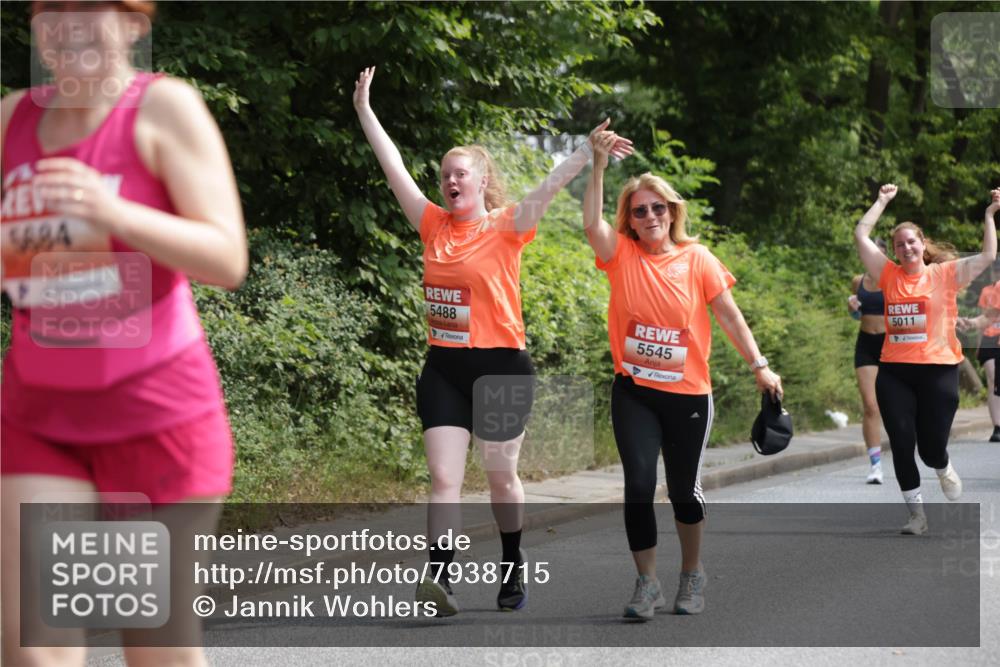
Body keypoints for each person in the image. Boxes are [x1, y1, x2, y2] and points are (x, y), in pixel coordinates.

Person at [1, 1, 246, 664]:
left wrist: (114, 211)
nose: (67, 22)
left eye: (89, 7)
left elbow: (227, 257)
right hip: (39, 413)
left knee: (155, 647)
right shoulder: (10, 119)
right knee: (31, 646)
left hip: (158, 419)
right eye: (51, 8)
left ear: (135, 23)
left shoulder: (165, 108)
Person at [353, 66, 631, 615]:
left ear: (481, 182)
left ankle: (511, 562)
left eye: (460, 175)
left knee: (501, 476)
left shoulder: (508, 224)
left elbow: (550, 187)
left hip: (502, 368)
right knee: (443, 477)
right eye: (444, 177)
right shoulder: (432, 225)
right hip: (444, 369)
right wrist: (365, 108)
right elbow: (392, 169)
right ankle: (440, 579)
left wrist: (586, 150)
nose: (449, 183)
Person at [583, 131, 782, 620]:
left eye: (657, 209)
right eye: (639, 211)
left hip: (688, 394)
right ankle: (646, 583)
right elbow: (590, 222)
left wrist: (759, 365)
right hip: (634, 391)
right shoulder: (621, 256)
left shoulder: (698, 258)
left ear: (672, 212)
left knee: (682, 491)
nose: (649, 217)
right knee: (637, 484)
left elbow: (730, 316)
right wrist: (598, 164)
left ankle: (691, 573)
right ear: (628, 219)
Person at [854, 184, 999, 535]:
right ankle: (916, 515)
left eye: (911, 242)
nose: (905, 249)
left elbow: (988, 257)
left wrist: (989, 215)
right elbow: (861, 233)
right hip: (895, 373)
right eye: (900, 244)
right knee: (902, 443)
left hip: (938, 371)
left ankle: (942, 465)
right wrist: (882, 201)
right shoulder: (887, 274)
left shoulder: (944, 275)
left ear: (922, 244)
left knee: (931, 448)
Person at [847, 238, 889, 484]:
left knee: (894, 405)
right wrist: (852, 308)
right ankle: (875, 466)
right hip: (865, 345)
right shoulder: (857, 281)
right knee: (871, 406)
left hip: (891, 346)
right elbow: (857, 315)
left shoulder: (893, 281)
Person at [957, 263, 1000, 441]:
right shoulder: (986, 291)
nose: (996, 273)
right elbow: (985, 318)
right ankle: (997, 426)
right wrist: (979, 344)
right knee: (992, 379)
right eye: (994, 270)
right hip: (989, 339)